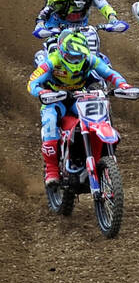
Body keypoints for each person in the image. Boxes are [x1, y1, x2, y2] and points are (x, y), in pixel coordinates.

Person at [27, 28, 133, 185]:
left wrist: (122, 84)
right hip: (55, 99)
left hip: (79, 97)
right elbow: (32, 82)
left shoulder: (90, 60)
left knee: (99, 115)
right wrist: (42, 92)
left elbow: (109, 72)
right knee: (50, 121)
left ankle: (97, 157)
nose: (76, 60)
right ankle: (51, 169)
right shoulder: (52, 61)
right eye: (71, 56)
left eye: (79, 56)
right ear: (62, 51)